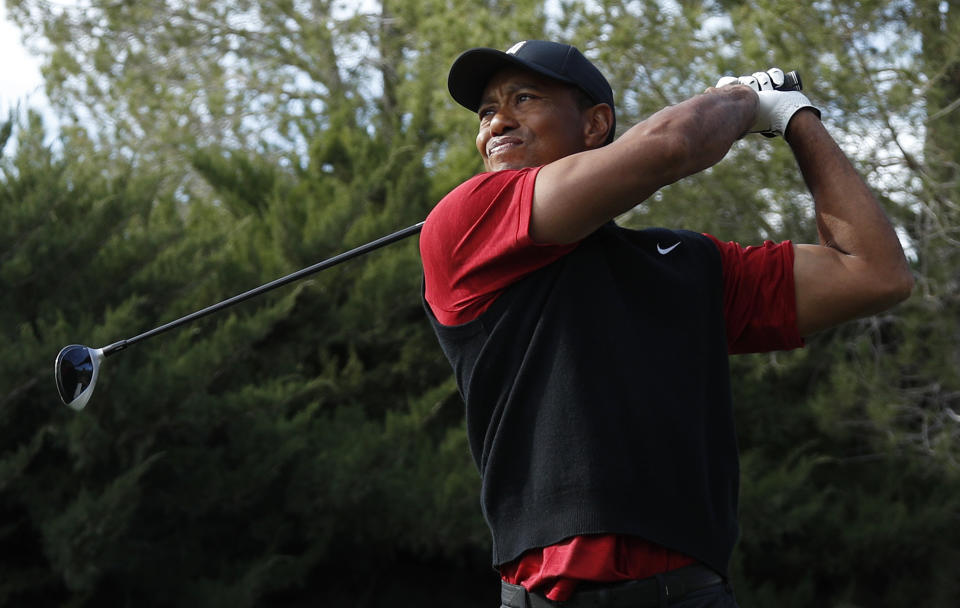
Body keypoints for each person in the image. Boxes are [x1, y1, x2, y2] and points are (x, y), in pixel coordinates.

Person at [419, 40, 913, 608]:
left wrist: (797, 118)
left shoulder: (687, 263)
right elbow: (672, 144)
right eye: (486, 111)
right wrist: (742, 98)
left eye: (523, 98)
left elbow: (875, 273)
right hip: (546, 597)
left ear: (595, 124)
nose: (497, 121)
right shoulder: (464, 221)